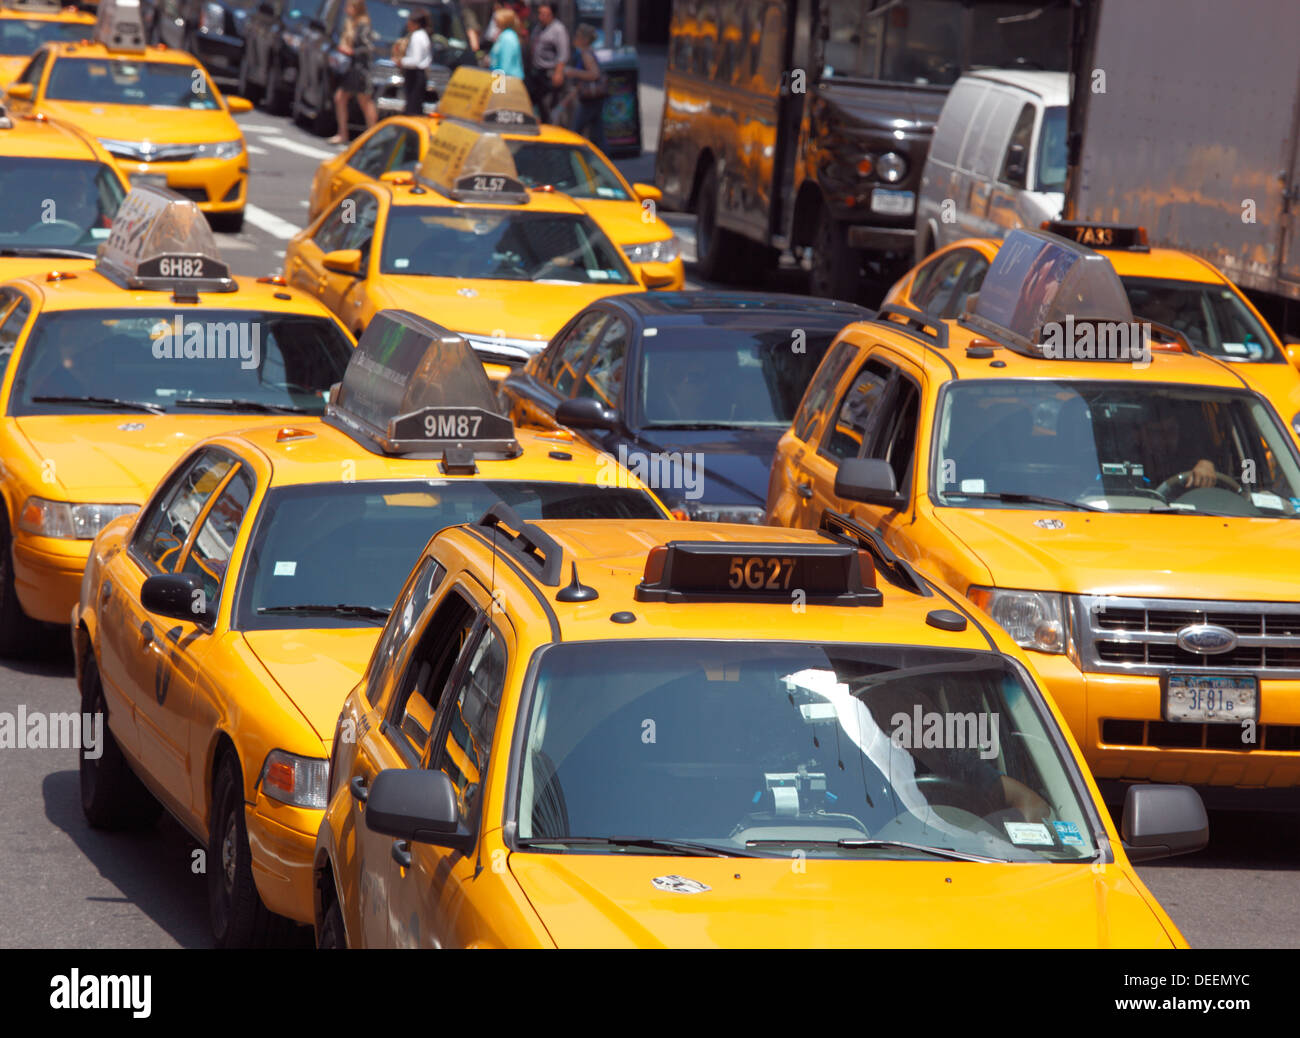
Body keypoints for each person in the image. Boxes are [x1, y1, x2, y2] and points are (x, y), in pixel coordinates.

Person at [329, 0, 378, 145]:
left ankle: (373, 137)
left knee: (365, 102)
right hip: (352, 69)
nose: (345, 9)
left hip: (360, 70)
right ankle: (343, 133)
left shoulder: (363, 25)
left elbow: (368, 48)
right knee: (341, 98)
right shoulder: (351, 23)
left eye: (348, 6)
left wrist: (351, 51)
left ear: (356, 8)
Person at [557, 22, 606, 150]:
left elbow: (594, 74)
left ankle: (572, 155)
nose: (574, 39)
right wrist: (567, 99)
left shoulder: (586, 54)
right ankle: (602, 158)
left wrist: (573, 72)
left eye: (577, 36)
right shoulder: (585, 53)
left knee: (576, 130)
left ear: (584, 39)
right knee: (597, 133)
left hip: (590, 100)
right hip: (592, 99)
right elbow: (582, 83)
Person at [528, 2, 568, 122]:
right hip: (536, 73)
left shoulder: (558, 30)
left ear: (552, 15)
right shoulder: (538, 28)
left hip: (549, 74)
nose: (542, 17)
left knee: (548, 106)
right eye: (540, 13)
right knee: (534, 102)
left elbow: (563, 53)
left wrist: (558, 73)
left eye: (546, 14)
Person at [395, 10, 432, 116]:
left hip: (415, 75)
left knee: (413, 109)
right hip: (417, 75)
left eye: (410, 22)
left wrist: (401, 61)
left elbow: (415, 60)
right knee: (414, 107)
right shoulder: (421, 35)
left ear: (416, 24)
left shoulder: (417, 37)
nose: (407, 24)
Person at [485, 6, 524, 79]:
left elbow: (506, 63)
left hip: (508, 79)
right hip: (500, 77)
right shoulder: (504, 35)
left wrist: (499, 84)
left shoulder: (508, 37)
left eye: (496, 19)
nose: (494, 21)